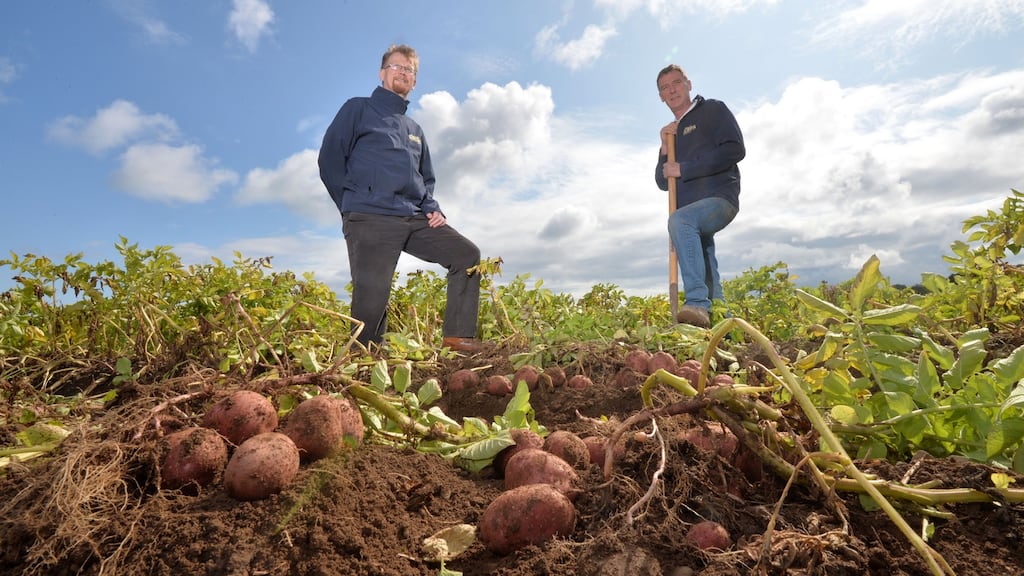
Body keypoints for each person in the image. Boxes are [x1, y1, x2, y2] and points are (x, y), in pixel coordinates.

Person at [318, 44, 486, 352]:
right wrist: (354, 206)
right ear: (382, 73)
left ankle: (457, 340)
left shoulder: (414, 129)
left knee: (466, 255)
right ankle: (364, 361)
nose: (403, 72)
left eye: (409, 70)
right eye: (396, 66)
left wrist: (431, 207)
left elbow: (425, 178)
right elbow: (329, 160)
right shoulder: (357, 109)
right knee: (372, 299)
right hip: (370, 216)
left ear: (415, 81)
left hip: (413, 216)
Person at [654, 64, 745, 328]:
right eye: (665, 87)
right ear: (661, 96)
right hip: (692, 212)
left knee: (680, 221)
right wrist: (664, 147)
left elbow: (735, 149)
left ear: (689, 84)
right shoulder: (672, 133)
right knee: (705, 264)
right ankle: (724, 327)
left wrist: (684, 168)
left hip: (719, 198)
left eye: (676, 83)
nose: (672, 90)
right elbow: (663, 181)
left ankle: (696, 303)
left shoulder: (712, 110)